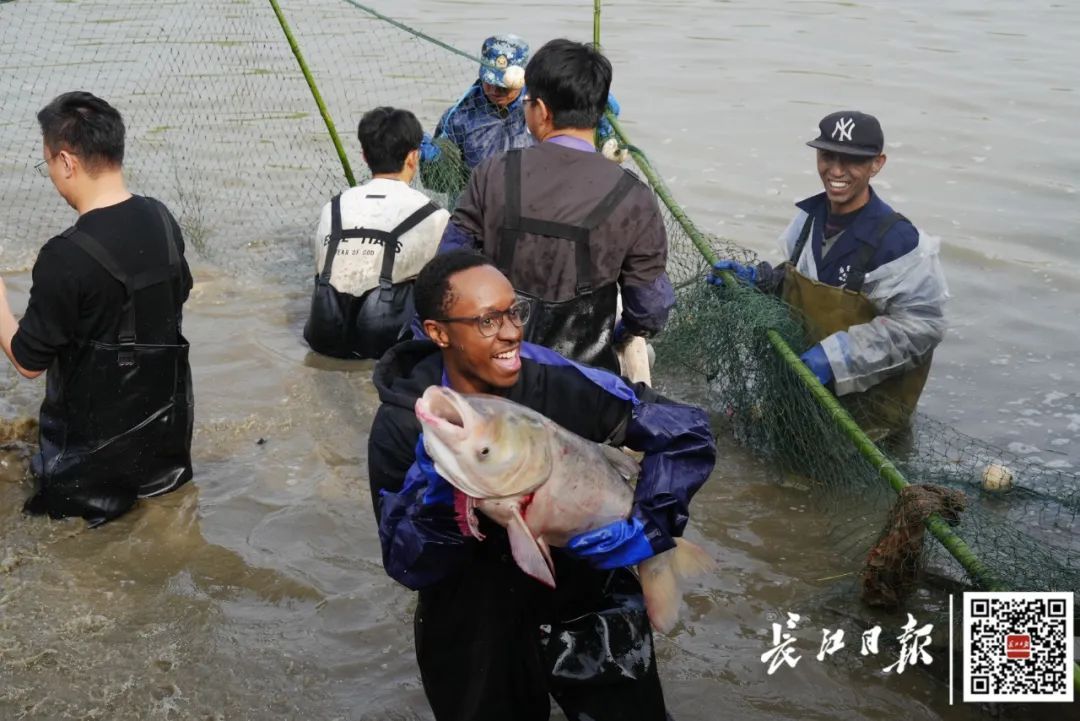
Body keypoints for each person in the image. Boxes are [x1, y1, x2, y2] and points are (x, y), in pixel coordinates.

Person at [369, 250, 715, 721]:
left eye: (515, 311)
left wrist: (650, 526)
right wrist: (438, 501)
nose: (512, 331)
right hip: (471, 617)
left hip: (582, 593)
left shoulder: (559, 379)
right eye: (488, 320)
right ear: (438, 332)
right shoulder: (403, 423)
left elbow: (687, 434)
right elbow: (405, 564)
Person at [0, 91, 194, 526]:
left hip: (91, 473)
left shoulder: (64, 255)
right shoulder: (162, 219)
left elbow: (29, 362)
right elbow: (177, 294)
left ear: (67, 161)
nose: (51, 174)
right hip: (165, 446)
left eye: (47, 162)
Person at [436, 39, 675, 373]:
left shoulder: (492, 173)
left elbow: (446, 268)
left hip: (496, 367)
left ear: (543, 112)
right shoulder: (634, 197)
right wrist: (622, 332)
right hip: (583, 378)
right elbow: (650, 308)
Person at [710, 110, 948, 439]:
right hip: (803, 411)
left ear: (877, 164)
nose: (836, 170)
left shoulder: (902, 243)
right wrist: (756, 282)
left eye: (852, 160)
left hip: (867, 429)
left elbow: (923, 328)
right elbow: (796, 284)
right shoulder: (808, 219)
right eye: (827, 156)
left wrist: (837, 357)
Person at [304, 106, 450, 359]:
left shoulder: (333, 207)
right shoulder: (434, 215)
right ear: (413, 157)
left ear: (364, 156)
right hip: (383, 333)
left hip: (323, 328)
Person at [418, 34, 534, 198]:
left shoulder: (538, 110)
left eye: (503, 87)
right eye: (489, 82)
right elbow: (442, 182)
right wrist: (434, 160)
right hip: (475, 208)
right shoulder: (458, 116)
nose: (495, 91)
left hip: (529, 202)